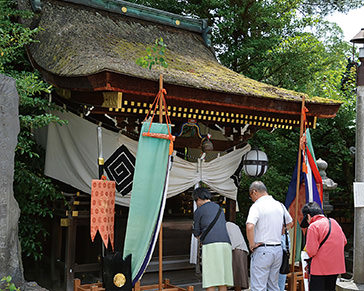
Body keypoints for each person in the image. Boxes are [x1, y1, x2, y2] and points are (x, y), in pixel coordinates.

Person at [246, 181, 292, 291]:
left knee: (258, 287)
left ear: (254, 192)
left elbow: (250, 226)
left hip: (262, 250)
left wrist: (252, 244)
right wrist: (279, 231)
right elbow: (290, 222)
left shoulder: (257, 206)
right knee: (273, 286)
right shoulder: (279, 205)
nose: (252, 199)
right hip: (277, 250)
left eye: (251, 196)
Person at [192, 187, 233, 291]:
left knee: (210, 278)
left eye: (196, 200)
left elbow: (196, 232)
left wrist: (199, 236)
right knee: (222, 279)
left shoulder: (199, 211)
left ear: (199, 198)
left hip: (211, 246)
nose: (196, 203)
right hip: (226, 245)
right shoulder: (219, 209)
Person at [301, 202, 347, 291]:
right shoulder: (334, 222)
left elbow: (311, 251)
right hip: (335, 267)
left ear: (308, 216)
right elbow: (344, 241)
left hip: (319, 269)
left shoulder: (313, 226)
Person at [226, 221, 249, 291]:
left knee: (237, 278)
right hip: (241, 249)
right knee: (238, 277)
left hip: (236, 250)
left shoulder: (226, 225)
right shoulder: (232, 225)